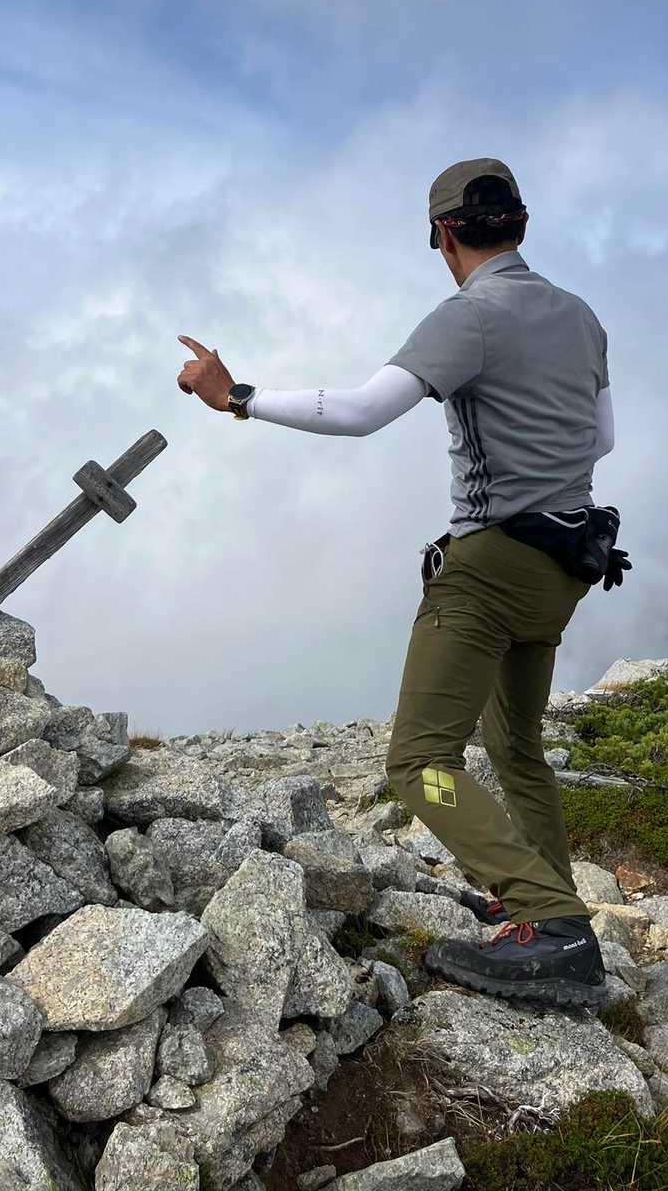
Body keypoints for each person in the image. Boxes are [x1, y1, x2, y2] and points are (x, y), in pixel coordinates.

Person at [176, 157, 627, 1006]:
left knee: (418, 761)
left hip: (488, 570)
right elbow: (600, 441)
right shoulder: (582, 316)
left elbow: (360, 411)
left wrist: (236, 395)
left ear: (443, 234)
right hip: (566, 563)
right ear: (522, 225)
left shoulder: (472, 315)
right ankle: (541, 903)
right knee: (516, 746)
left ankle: (553, 926)